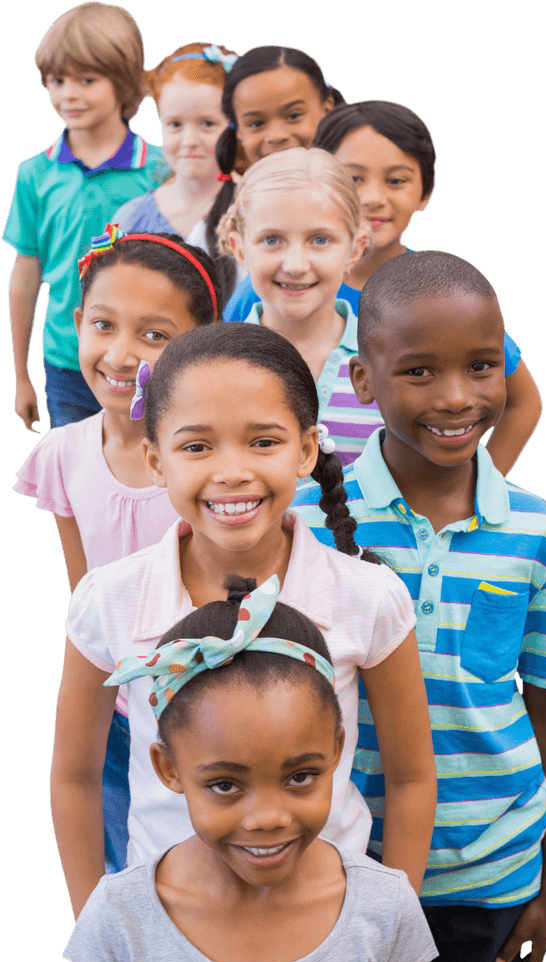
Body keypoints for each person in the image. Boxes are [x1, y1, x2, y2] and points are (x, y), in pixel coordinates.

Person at [292, 249, 546, 962]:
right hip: (340, 867)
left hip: (490, 874)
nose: (458, 397)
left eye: (481, 367)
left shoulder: (539, 533)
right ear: (363, 380)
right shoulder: (307, 527)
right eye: (421, 371)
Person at [51, 321, 436, 921]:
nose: (231, 471)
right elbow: (75, 776)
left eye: (263, 442)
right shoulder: (110, 599)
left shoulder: (368, 596)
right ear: (156, 460)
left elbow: (411, 777)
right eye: (197, 446)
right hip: (168, 923)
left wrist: (392, 924)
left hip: (329, 920)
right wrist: (95, 925)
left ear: (307, 449)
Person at [63, 578, 438, 962]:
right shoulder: (120, 919)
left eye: (300, 777)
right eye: (224, 785)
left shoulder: (386, 910)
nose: (268, 818)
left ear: (338, 747)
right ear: (169, 769)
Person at [15, 225, 221, 872]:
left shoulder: (213, 462)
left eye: (154, 336)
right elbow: (86, 602)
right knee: (121, 862)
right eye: (103, 325)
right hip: (117, 710)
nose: (121, 354)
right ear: (75, 322)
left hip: (211, 704)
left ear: (199, 344)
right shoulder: (62, 454)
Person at [227, 99, 542, 475]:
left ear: (426, 192)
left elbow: (522, 399)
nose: (373, 198)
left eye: (396, 180)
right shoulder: (261, 291)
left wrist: (482, 491)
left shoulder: (434, 294)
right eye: (354, 178)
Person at [3, 3, 164, 431]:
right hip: (67, 362)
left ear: (124, 83)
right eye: (57, 80)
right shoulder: (34, 175)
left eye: (86, 80)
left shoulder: (164, 171)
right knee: (73, 483)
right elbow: (25, 276)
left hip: (149, 361)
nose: (68, 94)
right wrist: (20, 377)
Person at [218, 146, 382, 467]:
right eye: (271, 240)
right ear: (240, 250)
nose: (295, 265)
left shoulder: (386, 358)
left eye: (320, 240)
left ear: (355, 249)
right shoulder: (213, 364)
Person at [205, 44, 344, 300]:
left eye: (294, 115)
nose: (277, 136)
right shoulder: (215, 226)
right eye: (256, 123)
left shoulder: (360, 200)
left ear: (327, 108)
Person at [115, 41, 245, 291]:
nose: (189, 142)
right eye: (175, 124)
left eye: (207, 123)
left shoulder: (257, 207)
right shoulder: (131, 220)